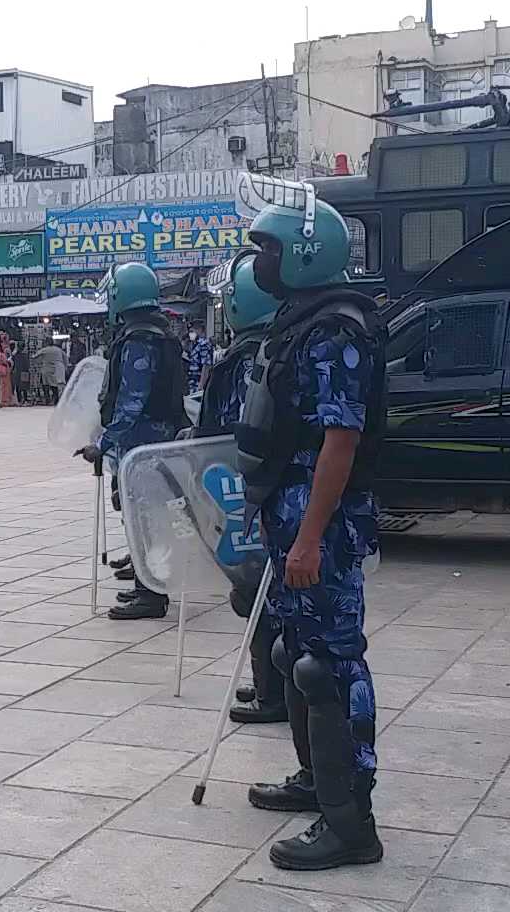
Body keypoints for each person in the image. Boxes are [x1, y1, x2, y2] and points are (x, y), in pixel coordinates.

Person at [237, 192, 387, 871]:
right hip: (290, 513)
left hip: (318, 525)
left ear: (301, 255)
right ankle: (315, 783)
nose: (259, 263)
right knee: (291, 658)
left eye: (267, 250)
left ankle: (351, 822)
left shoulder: (336, 330)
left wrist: (309, 537)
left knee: (328, 666)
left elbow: (340, 441)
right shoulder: (301, 322)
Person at [196, 259, 286, 725]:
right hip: (267, 488)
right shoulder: (277, 343)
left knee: (256, 592)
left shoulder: (252, 355)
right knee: (264, 593)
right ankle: (272, 684)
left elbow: (236, 431)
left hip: (249, 490)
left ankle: (275, 694)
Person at [79, 262, 188, 621]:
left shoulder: (140, 340)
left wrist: (103, 444)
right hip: (154, 440)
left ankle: (152, 596)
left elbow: (131, 401)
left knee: (147, 519)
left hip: (144, 444)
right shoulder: (157, 332)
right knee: (145, 517)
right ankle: (147, 579)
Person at [33, 339, 67, 406]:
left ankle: (47, 400)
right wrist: (64, 366)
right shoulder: (58, 349)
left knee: (45, 385)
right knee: (54, 385)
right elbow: (65, 358)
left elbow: (34, 356)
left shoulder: (44, 350)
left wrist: (38, 362)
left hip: (47, 368)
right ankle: (56, 400)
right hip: (57, 369)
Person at [184, 322, 215, 391]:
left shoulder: (204, 345)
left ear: (200, 330)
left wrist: (201, 386)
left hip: (197, 382)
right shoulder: (194, 345)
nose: (190, 334)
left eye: (192, 331)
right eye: (190, 331)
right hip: (191, 382)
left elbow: (206, 366)